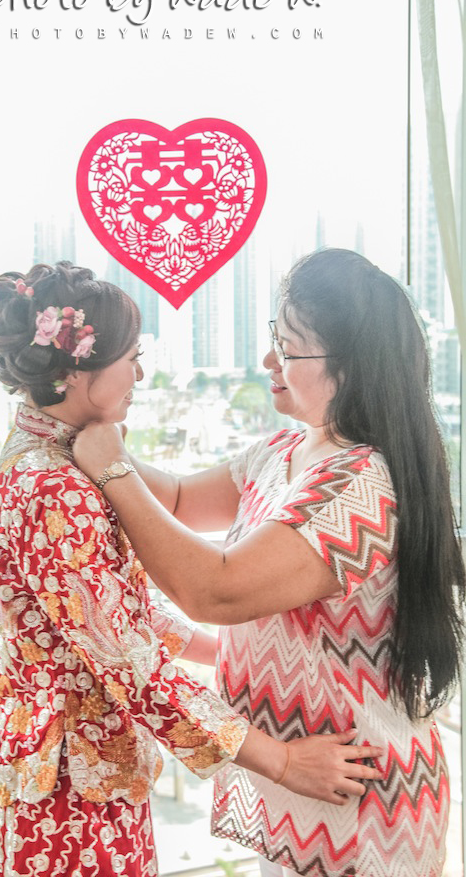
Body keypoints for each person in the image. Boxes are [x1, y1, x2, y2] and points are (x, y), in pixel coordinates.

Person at [0, 260, 382, 877]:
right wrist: (281, 761)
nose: (140, 374)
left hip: (80, 772)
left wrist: (230, 657)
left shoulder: (50, 455)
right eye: (132, 357)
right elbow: (129, 661)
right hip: (71, 791)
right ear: (75, 370)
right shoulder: (55, 485)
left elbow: (116, 615)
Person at [72, 248, 465, 877]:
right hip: (305, 786)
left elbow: (216, 591)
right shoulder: (284, 451)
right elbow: (177, 499)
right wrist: (80, 436)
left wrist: (112, 467)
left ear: (350, 365)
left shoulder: (359, 484)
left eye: (288, 347)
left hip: (362, 802)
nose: (268, 361)